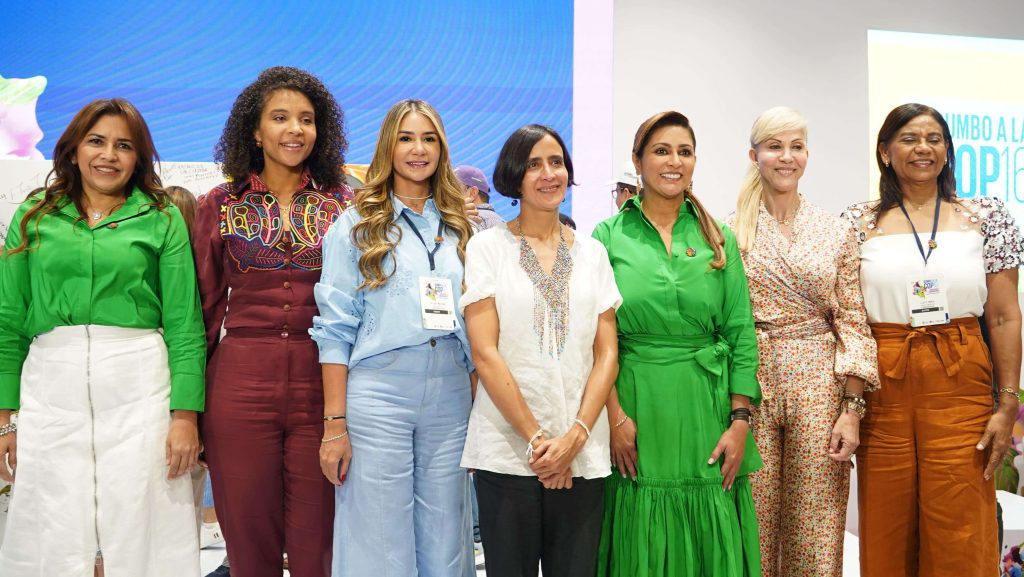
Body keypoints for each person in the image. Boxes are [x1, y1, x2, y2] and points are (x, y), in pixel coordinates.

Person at [0, 98, 206, 576]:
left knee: (143, 527)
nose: (108, 155)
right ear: (73, 149)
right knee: (52, 528)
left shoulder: (161, 217)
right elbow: (9, 321)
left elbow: (184, 323)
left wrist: (185, 416)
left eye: (123, 145)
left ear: (138, 158)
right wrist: (6, 418)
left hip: (141, 389)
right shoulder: (33, 215)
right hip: (50, 387)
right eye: (96, 141)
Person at [843, 102, 1023, 576]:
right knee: (886, 520)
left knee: (961, 522)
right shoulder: (855, 223)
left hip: (961, 379)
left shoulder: (986, 216)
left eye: (934, 138)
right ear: (885, 152)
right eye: (908, 138)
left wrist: (1006, 405)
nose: (923, 148)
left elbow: (1004, 317)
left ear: (947, 151)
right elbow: (848, 319)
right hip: (884, 380)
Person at [193, 66, 352, 577]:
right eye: (280, 118)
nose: (295, 130)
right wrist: (188, 409)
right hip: (238, 385)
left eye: (306, 119)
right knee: (247, 541)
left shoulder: (346, 206)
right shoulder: (218, 205)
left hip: (322, 385)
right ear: (255, 131)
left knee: (318, 545)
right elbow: (202, 310)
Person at [593, 110, 763, 577]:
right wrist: (613, 416)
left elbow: (740, 332)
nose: (674, 162)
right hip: (635, 404)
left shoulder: (717, 237)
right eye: (661, 151)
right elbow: (595, 338)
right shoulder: (606, 238)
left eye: (684, 152)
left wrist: (740, 421)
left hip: (706, 408)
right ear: (638, 161)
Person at [311, 98, 476, 577]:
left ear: (442, 149)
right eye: (406, 138)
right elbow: (334, 328)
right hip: (378, 392)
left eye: (429, 139)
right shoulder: (355, 224)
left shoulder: (461, 226)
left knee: (447, 532)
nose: (418, 149)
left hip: (450, 390)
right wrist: (334, 424)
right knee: (379, 537)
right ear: (388, 146)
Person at [460, 124, 620, 577]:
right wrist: (537, 441)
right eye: (534, 164)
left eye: (557, 162)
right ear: (514, 175)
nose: (549, 174)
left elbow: (606, 352)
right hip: (507, 451)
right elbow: (485, 353)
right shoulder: (487, 247)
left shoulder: (593, 252)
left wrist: (575, 437)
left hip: (582, 452)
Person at [726, 107, 878, 577]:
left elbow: (853, 318)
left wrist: (852, 412)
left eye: (795, 147)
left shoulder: (835, 230)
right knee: (749, 522)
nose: (785, 157)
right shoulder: (729, 230)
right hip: (752, 385)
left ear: (807, 155)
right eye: (774, 147)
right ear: (754, 156)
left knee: (817, 525)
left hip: (820, 384)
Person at [456, 164, 504, 230]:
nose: (447, 196)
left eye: (453, 189)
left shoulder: (471, 221)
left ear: (473, 192)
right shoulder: (499, 221)